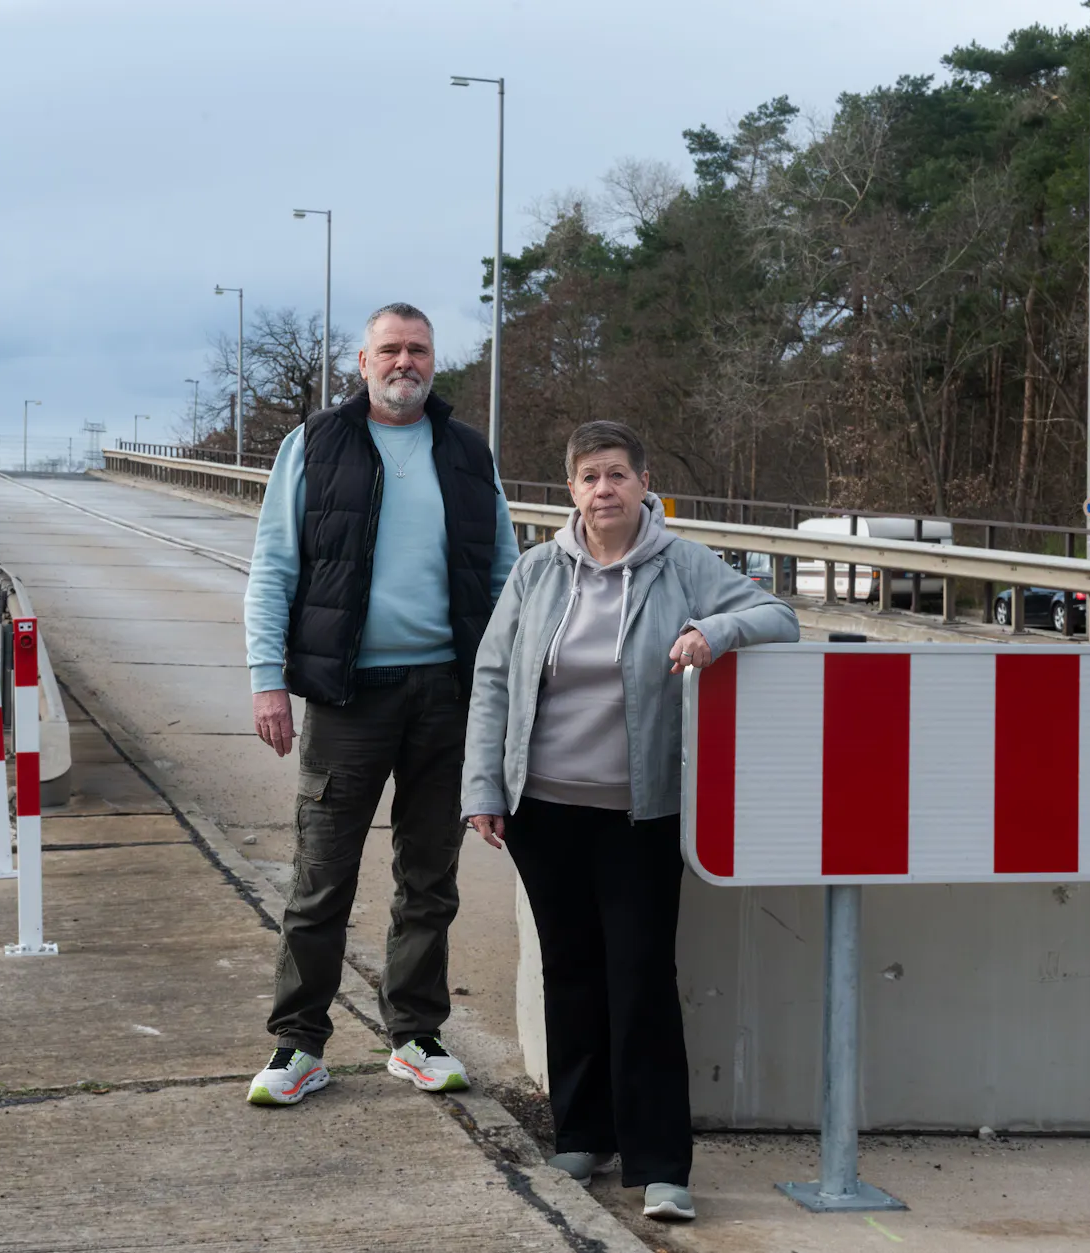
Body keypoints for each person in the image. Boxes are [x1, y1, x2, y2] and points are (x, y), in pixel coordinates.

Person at [461, 420, 799, 1223]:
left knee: (642, 979)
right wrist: (483, 785)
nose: (603, 490)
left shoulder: (682, 565)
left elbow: (778, 616)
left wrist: (713, 632)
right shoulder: (538, 571)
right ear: (570, 490)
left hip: (641, 815)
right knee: (569, 973)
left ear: (645, 483)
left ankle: (659, 1163)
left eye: (616, 474)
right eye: (588, 477)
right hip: (542, 810)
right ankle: (583, 1134)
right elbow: (493, 679)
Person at [242, 302, 520, 1107]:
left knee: (430, 877)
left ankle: (416, 1035)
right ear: (362, 362)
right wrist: (268, 677)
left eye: (419, 350)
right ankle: (298, 1044)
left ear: (435, 362)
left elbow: (503, 574)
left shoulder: (467, 453)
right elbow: (273, 567)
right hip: (348, 695)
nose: (406, 362)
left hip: (446, 692)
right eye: (390, 349)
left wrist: (502, 690)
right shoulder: (315, 445)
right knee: (320, 876)